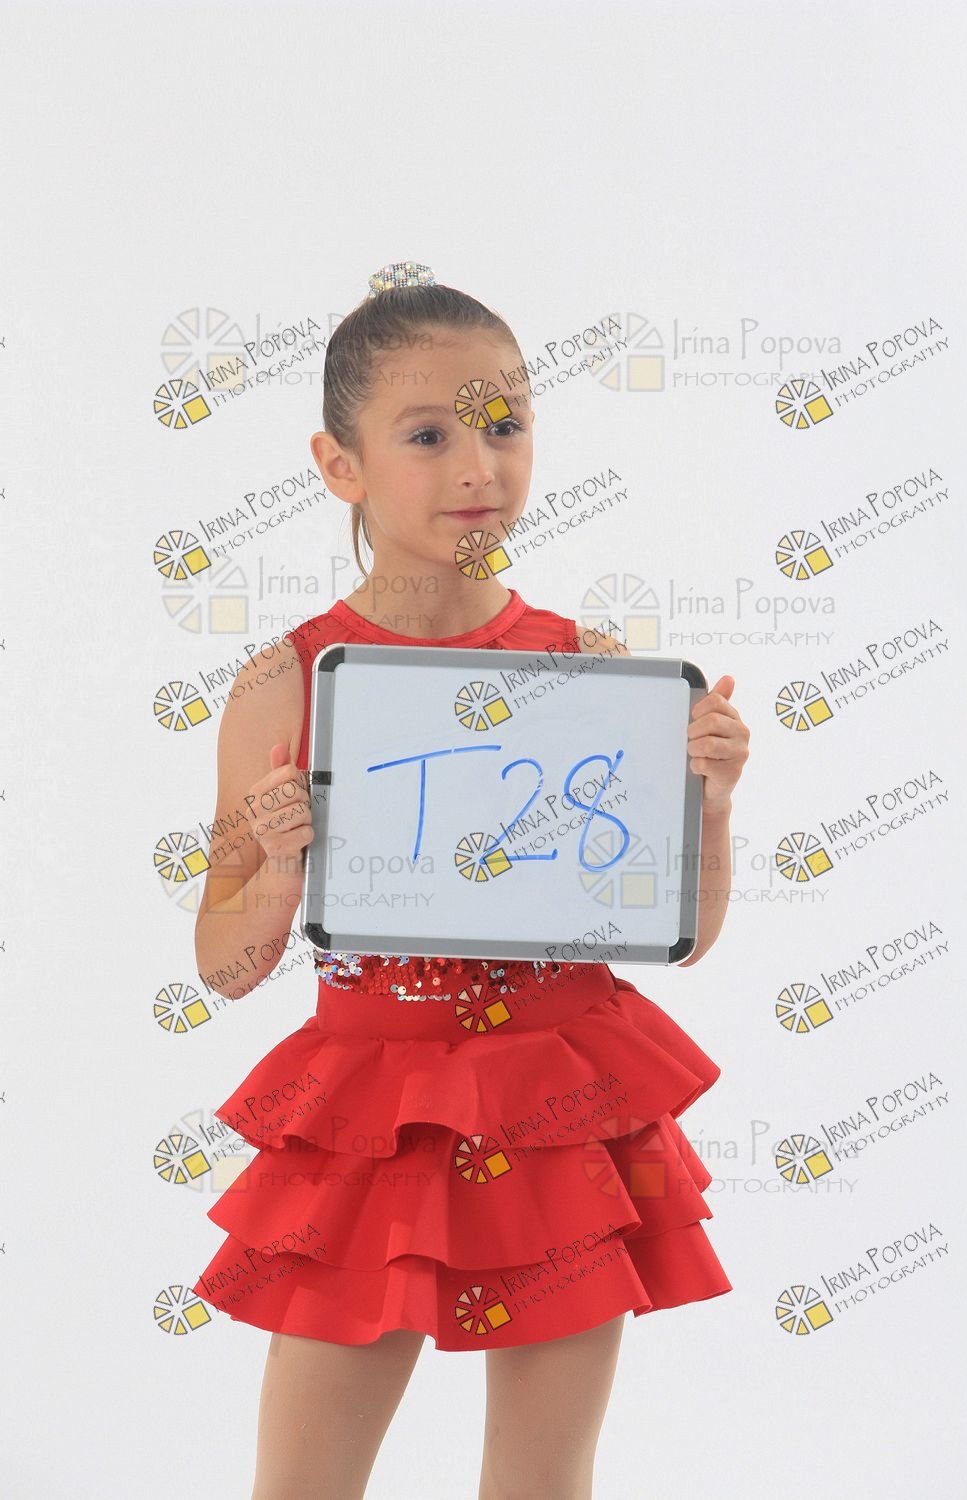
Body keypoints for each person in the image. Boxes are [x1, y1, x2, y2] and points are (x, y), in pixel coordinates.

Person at [192, 261, 751, 1500]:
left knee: (544, 1481)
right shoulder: (287, 681)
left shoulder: (589, 666)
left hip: (560, 1107)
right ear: (339, 465)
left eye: (504, 425)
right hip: (370, 1111)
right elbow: (222, 964)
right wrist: (279, 864)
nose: (477, 467)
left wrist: (710, 808)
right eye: (427, 435)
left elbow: (678, 930)